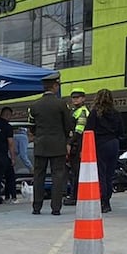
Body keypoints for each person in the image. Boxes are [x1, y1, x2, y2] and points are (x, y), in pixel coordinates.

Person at [27, 72, 73, 215]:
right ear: (55, 86)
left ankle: (37, 207)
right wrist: (67, 140)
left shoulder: (34, 105)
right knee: (57, 175)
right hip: (58, 144)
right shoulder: (61, 104)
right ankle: (56, 208)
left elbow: (31, 126)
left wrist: (38, 135)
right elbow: (68, 125)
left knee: (38, 175)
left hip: (40, 144)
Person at [86, 88, 124, 214]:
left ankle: (104, 201)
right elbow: (121, 131)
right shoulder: (116, 113)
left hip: (100, 144)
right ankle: (108, 200)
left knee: (101, 174)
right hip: (114, 143)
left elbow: (89, 130)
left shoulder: (95, 113)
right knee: (109, 174)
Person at [64, 88, 90, 205]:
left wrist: (69, 143)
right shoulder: (75, 111)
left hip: (78, 145)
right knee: (74, 173)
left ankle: (75, 197)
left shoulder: (82, 112)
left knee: (76, 173)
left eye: (78, 97)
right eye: (73, 97)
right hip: (75, 145)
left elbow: (79, 131)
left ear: (83, 98)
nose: (75, 99)